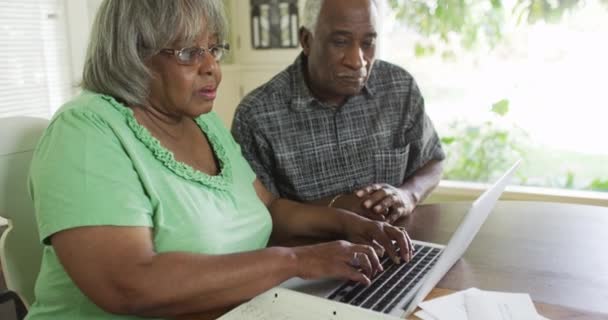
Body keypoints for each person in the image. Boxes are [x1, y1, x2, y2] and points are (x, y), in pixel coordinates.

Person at [25, 1, 414, 319]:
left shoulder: (204, 123)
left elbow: (270, 210)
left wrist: (351, 225)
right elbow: (129, 283)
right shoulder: (86, 130)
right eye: (189, 52)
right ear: (133, 55)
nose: (212, 66)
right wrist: (295, 261)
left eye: (214, 48)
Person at [232, 0, 445, 224]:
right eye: (340, 42)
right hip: (310, 255)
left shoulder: (399, 88)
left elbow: (433, 160)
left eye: (368, 42)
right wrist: (337, 209)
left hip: (399, 248)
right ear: (306, 40)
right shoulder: (256, 117)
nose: (357, 61)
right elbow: (260, 215)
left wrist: (408, 195)